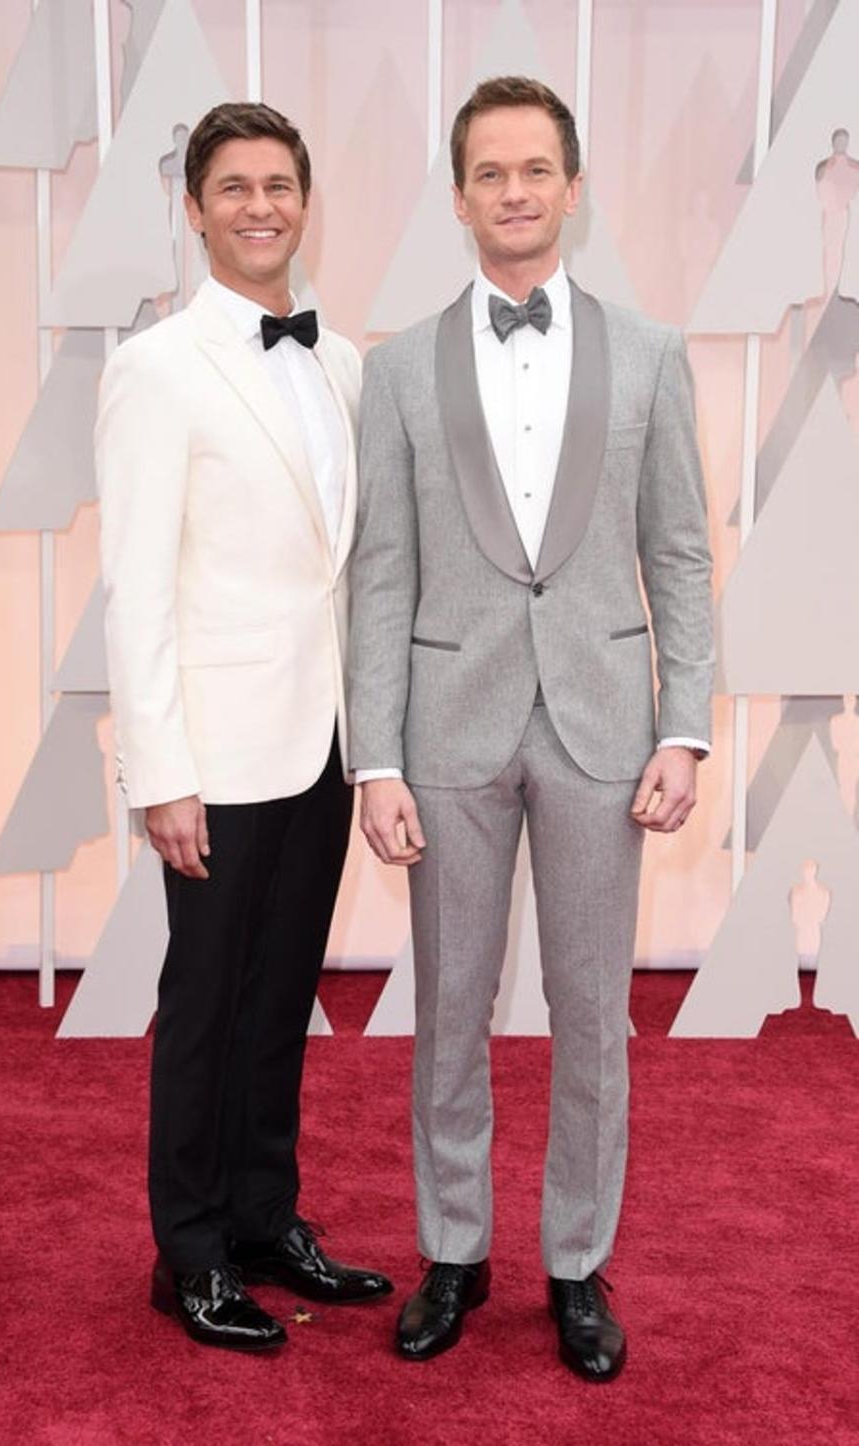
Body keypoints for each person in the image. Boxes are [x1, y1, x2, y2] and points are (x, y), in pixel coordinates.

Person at [348, 76, 713, 1379]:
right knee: (448, 1006)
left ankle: (576, 1262)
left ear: (572, 187)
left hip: (605, 730)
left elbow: (679, 558)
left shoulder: (656, 357)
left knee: (590, 1011)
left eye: (535, 169)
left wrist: (687, 728)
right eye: (489, 171)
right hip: (446, 731)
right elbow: (379, 574)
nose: (513, 190)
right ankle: (456, 1247)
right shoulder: (393, 370)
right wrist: (375, 755)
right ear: (460, 197)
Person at [96, 101, 392, 1353]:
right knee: (208, 1002)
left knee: (281, 1000)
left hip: (317, 741)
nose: (259, 206)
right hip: (212, 754)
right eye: (234, 187)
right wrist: (161, 771)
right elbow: (137, 583)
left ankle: (268, 1219)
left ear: (305, 199)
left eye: (279, 184)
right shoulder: (156, 366)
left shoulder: (344, 361)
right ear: (197, 208)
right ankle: (193, 1252)